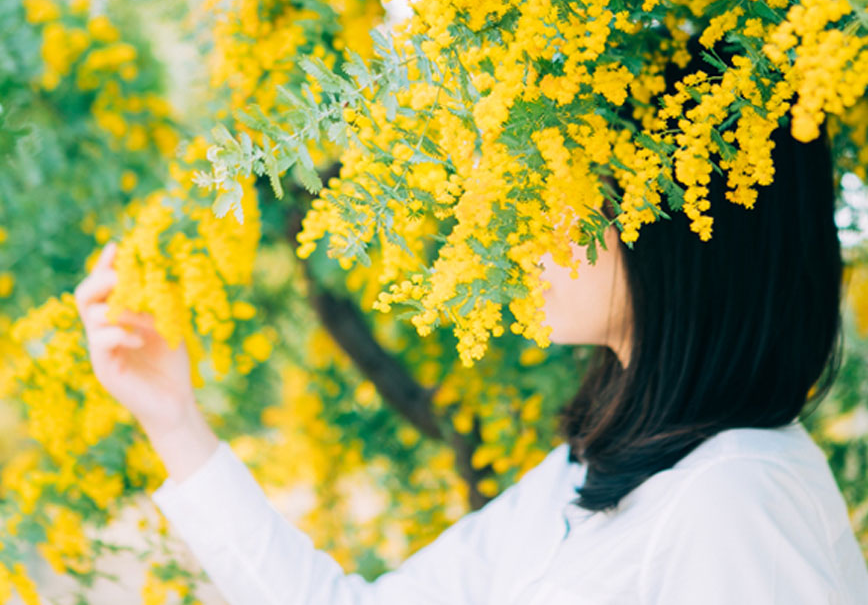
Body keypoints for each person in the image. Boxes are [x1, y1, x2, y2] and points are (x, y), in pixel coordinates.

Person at [75, 41, 868, 603]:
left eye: (556, 181)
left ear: (677, 221)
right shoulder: (588, 475)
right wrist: (174, 421)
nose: (516, 224)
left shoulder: (736, 499)